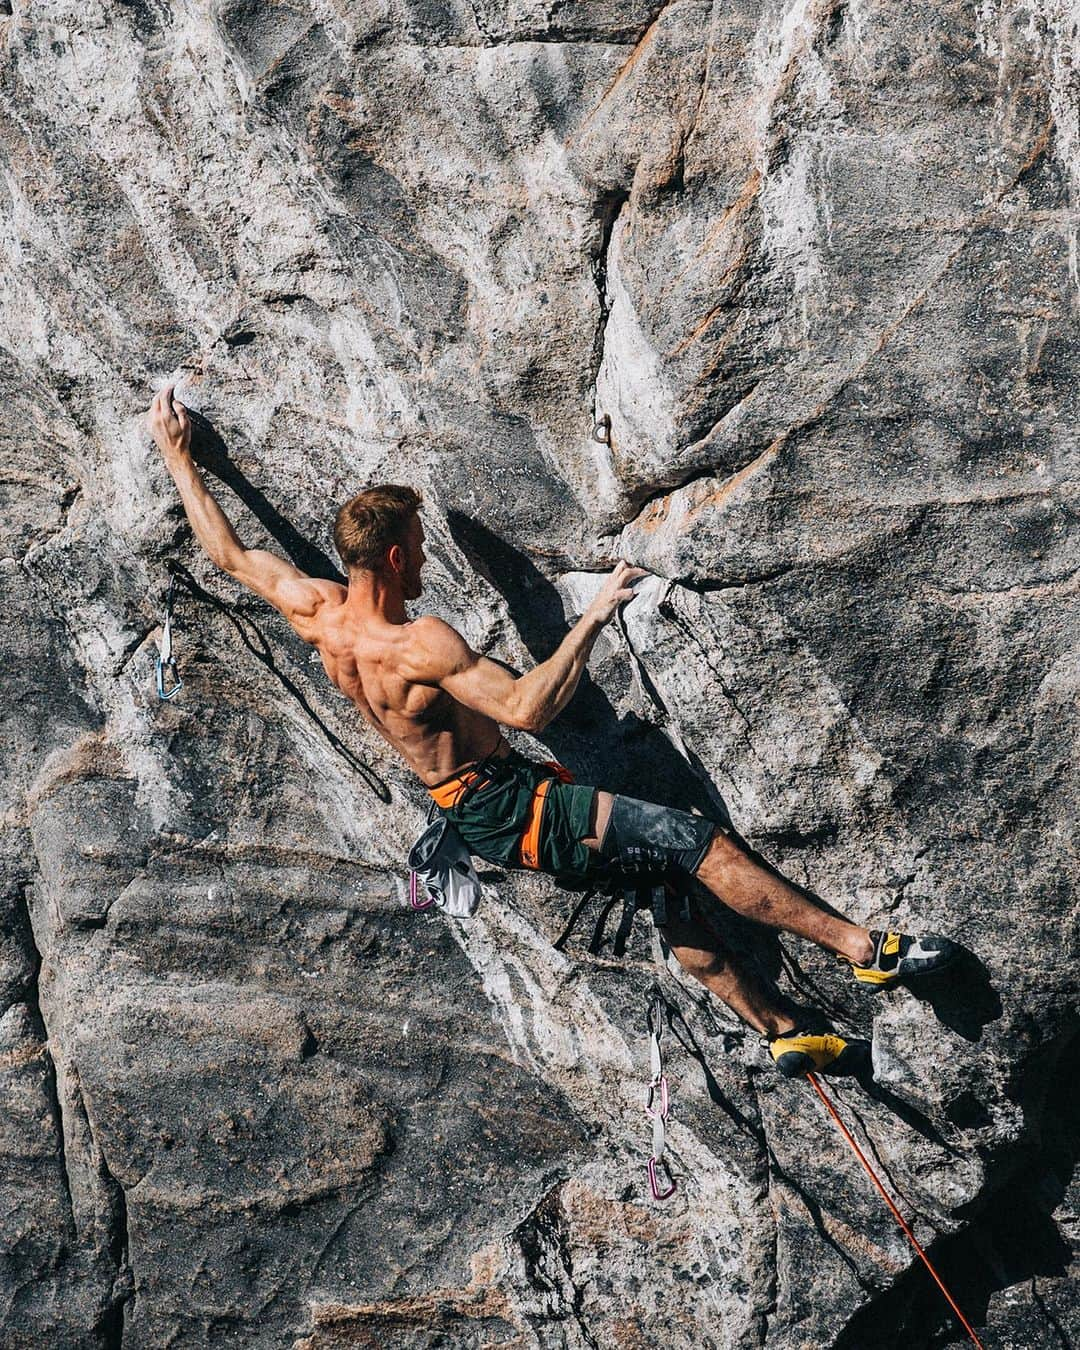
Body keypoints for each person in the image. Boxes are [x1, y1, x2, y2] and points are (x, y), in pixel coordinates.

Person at [148, 385, 957, 1077]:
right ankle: (865, 951)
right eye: (421, 549)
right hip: (510, 807)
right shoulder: (419, 645)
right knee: (694, 842)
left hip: (481, 810)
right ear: (395, 558)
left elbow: (229, 553)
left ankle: (784, 1033)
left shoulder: (316, 613)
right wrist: (594, 616)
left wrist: (182, 459)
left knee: (663, 883)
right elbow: (528, 709)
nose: (428, 560)